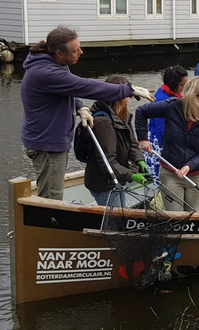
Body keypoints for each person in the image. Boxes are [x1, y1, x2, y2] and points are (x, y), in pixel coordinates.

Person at [20, 25, 154, 201]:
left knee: (53, 193)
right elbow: (85, 86)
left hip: (50, 141)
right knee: (50, 199)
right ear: (59, 53)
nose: (81, 52)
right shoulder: (46, 72)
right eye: (76, 50)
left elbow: (63, 90)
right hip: (47, 145)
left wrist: (78, 106)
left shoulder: (53, 63)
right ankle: (50, 228)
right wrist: (128, 90)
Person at [135, 77, 199, 212]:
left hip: (197, 175)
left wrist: (189, 166)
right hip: (170, 173)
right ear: (193, 97)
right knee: (175, 217)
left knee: (192, 216)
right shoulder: (172, 106)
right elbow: (141, 111)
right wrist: (143, 138)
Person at [84, 75, 149, 207]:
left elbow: (132, 145)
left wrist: (139, 160)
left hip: (117, 180)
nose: (130, 98)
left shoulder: (123, 115)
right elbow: (107, 161)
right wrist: (131, 175)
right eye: (127, 94)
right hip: (104, 184)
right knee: (117, 222)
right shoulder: (102, 122)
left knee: (121, 216)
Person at [146, 65, 188, 181]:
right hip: (161, 145)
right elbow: (162, 130)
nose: (183, 89)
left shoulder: (174, 95)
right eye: (182, 85)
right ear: (174, 84)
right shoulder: (161, 101)